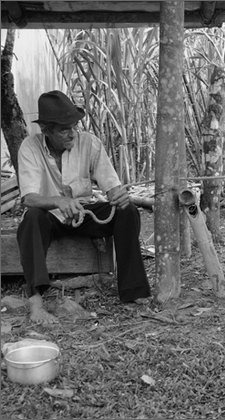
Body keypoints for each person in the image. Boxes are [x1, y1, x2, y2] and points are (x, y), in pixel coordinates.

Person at [17, 90, 151, 324]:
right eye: (64, 129)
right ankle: (36, 301)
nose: (72, 133)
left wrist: (118, 195)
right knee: (31, 219)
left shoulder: (89, 143)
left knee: (127, 211)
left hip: (84, 214)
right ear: (46, 130)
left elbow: (112, 186)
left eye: (74, 126)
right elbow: (29, 197)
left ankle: (133, 292)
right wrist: (59, 201)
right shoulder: (30, 147)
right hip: (51, 218)